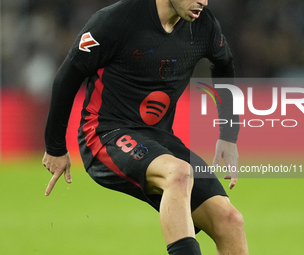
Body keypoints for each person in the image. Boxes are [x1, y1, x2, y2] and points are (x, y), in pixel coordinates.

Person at [42, 0, 249, 254]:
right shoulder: (116, 20)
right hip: (104, 133)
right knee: (179, 174)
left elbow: (225, 66)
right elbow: (68, 76)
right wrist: (55, 147)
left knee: (230, 222)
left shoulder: (204, 26)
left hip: (159, 138)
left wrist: (228, 134)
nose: (203, 2)